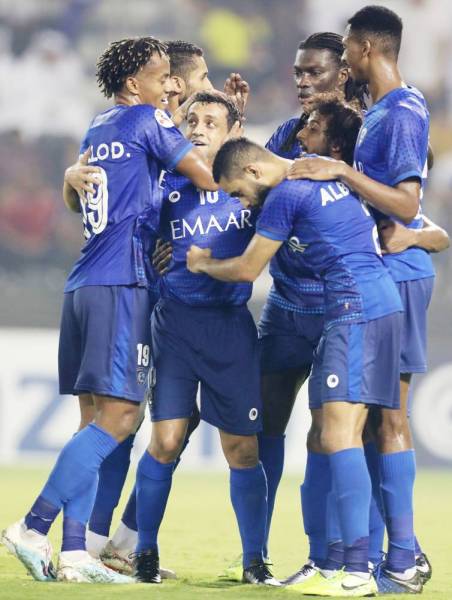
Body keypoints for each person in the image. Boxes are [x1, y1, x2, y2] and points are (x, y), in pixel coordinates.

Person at [1, 35, 217, 585]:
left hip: (85, 282)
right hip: (123, 281)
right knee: (121, 418)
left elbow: (87, 190)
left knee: (92, 424)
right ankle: (32, 525)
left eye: (174, 74)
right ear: (133, 83)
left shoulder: (100, 126)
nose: (169, 83)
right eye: (161, 73)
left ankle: (74, 553)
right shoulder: (148, 121)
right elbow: (209, 177)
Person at [187, 133, 404, 596]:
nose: (240, 203)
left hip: (353, 308)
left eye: (236, 192)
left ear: (253, 171)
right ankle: (337, 562)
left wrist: (204, 262)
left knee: (338, 434)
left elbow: (247, 269)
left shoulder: (286, 193)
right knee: (334, 432)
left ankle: (358, 570)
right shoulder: (321, 171)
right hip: (381, 303)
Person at [287, 6, 434, 593]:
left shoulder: (400, 112)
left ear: (368, 48)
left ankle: (401, 556)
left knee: (386, 419)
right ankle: (376, 554)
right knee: (363, 422)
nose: (343, 58)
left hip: (395, 275)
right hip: (384, 270)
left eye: (347, 48)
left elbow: (403, 204)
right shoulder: (382, 113)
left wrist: (340, 173)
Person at [129, 91, 279, 586]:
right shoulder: (168, 182)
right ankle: (143, 552)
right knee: (166, 441)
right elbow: (135, 234)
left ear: (233, 129)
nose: (198, 127)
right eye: (190, 119)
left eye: (211, 120)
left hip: (230, 330)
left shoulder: (250, 186)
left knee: (243, 451)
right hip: (174, 327)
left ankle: (255, 560)